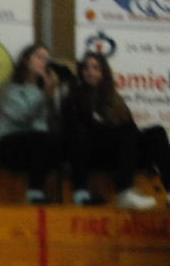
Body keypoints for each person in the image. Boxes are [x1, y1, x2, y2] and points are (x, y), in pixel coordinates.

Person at [62, 52, 162, 211]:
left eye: (95, 68)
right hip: (94, 153)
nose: (90, 72)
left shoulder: (114, 98)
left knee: (156, 132)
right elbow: (76, 131)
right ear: (81, 72)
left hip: (121, 154)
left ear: (103, 72)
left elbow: (130, 129)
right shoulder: (74, 97)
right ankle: (124, 191)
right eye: (87, 68)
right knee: (124, 130)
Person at [0, 43, 65, 204]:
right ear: (25, 60)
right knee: (42, 140)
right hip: (8, 145)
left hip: (38, 146)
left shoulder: (46, 90)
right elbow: (22, 117)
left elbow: (51, 125)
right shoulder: (10, 88)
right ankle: (34, 192)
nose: (44, 62)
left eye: (47, 59)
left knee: (63, 143)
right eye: (39, 57)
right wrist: (44, 97)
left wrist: (53, 99)